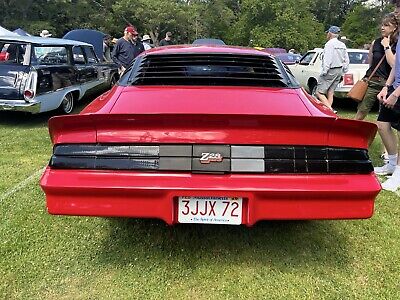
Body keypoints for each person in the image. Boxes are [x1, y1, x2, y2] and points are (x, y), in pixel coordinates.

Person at [355, 13, 397, 121]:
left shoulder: (397, 44)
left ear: (394, 28)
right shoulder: (376, 42)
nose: (382, 28)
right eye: (382, 25)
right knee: (361, 111)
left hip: (388, 84)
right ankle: (351, 135)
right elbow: (371, 62)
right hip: (373, 82)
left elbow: (393, 64)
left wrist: (387, 46)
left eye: (386, 25)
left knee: (386, 119)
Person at [315, 26, 350, 112]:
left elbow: (328, 59)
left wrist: (324, 71)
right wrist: (344, 71)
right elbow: (346, 59)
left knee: (319, 92)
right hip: (339, 69)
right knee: (330, 92)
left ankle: (330, 110)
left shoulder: (329, 44)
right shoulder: (342, 45)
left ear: (330, 33)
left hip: (331, 69)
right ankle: (328, 111)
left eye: (327, 33)